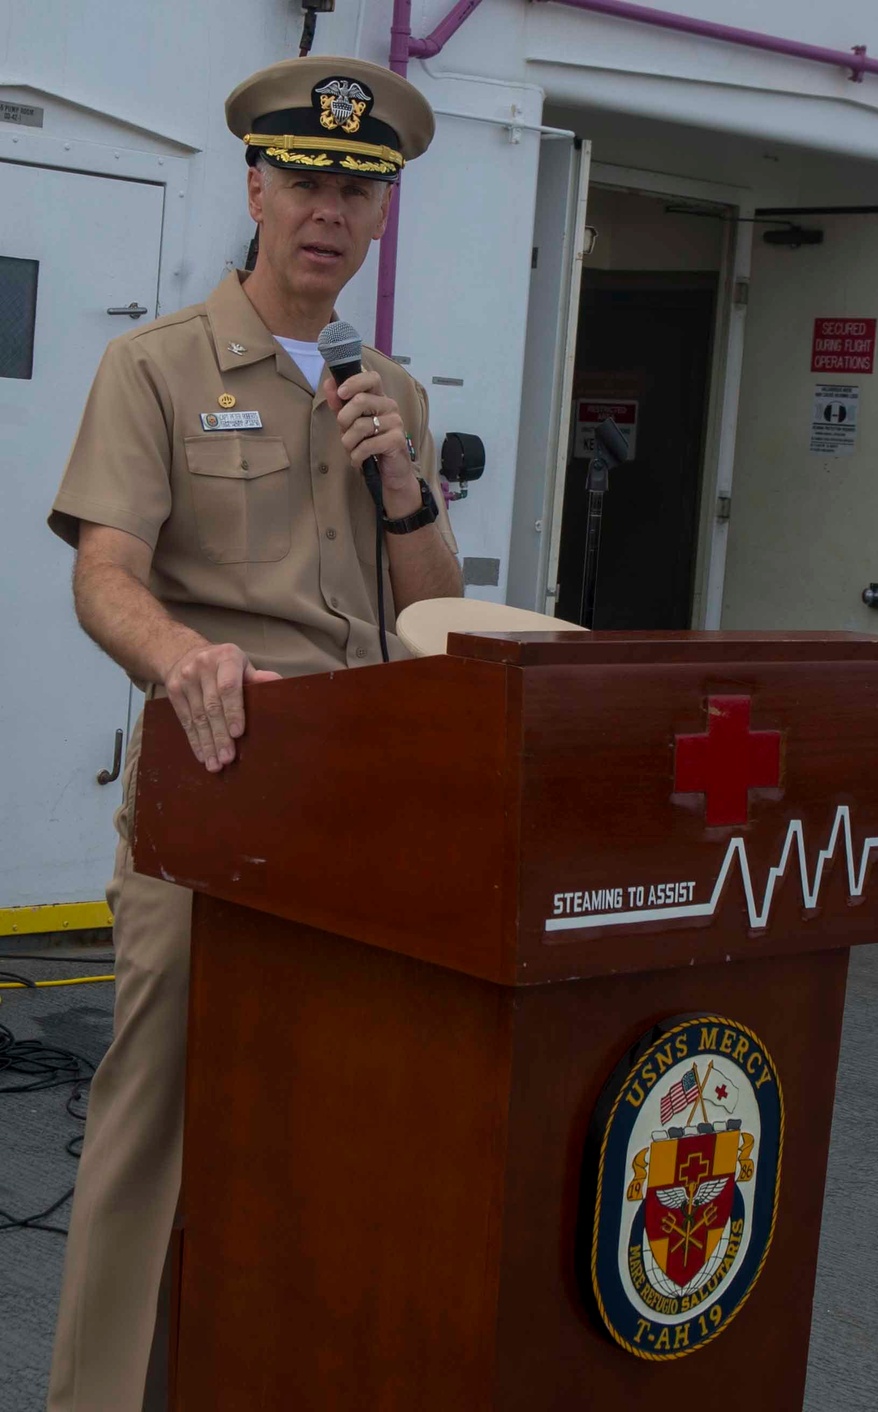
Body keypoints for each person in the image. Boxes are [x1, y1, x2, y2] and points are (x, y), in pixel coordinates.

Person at [45, 55, 462, 1411]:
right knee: (151, 1128)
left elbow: (437, 614)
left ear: (382, 215)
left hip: (361, 805)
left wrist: (399, 469)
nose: (327, 210)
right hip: (213, 788)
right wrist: (180, 656)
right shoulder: (154, 367)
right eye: (304, 180)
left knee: (338, 1124)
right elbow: (105, 569)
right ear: (256, 189)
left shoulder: (385, 386)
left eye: (358, 187)